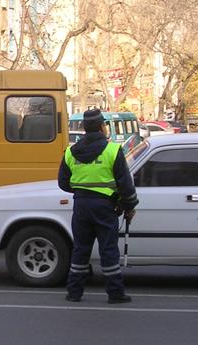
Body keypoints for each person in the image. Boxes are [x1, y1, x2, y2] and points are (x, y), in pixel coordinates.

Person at [58, 108, 138, 304]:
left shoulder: (70, 152)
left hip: (81, 206)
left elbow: (63, 182)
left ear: (85, 128)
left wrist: (82, 190)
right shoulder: (112, 150)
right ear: (102, 126)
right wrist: (128, 205)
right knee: (108, 250)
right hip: (105, 207)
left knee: (80, 249)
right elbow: (125, 183)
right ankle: (115, 293)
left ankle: (74, 292)